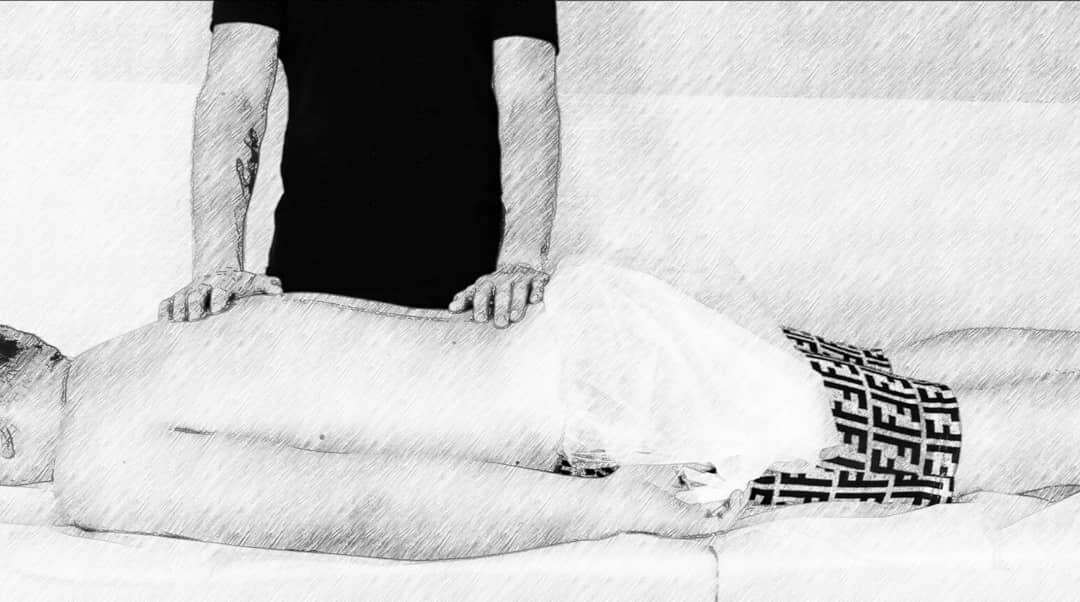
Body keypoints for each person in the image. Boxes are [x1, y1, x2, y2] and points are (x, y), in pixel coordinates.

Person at [4, 258, 1080, 561]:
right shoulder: (165, 329)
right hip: (601, 321)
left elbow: (363, 507)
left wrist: (615, 506)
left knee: (961, 442)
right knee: (892, 375)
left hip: (610, 405)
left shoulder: (100, 461)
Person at [158, 1, 561, 328]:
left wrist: (521, 259)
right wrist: (217, 265)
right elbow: (235, 96)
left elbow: (526, 99)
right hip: (308, 286)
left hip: (467, 298)